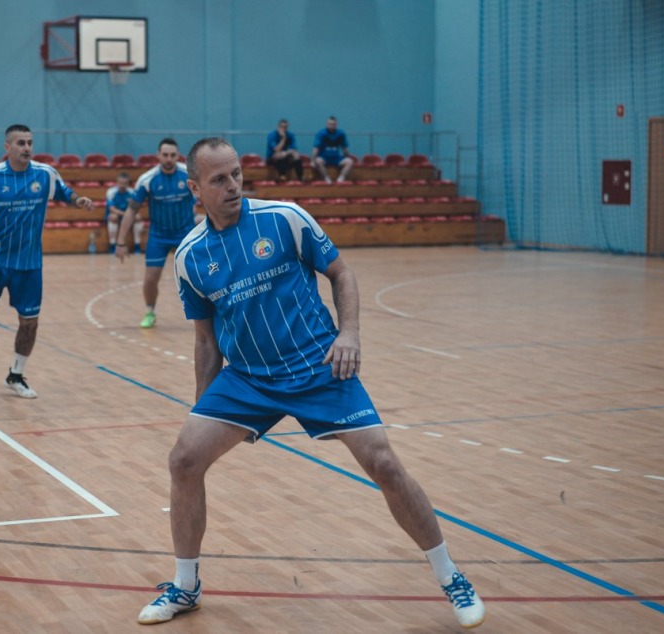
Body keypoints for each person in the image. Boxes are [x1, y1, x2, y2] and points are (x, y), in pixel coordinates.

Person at [136, 138, 485, 629]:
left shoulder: (284, 218)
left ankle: (451, 577)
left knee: (384, 463)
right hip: (249, 377)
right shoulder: (190, 256)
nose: (233, 185)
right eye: (219, 179)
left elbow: (341, 273)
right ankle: (186, 585)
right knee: (184, 460)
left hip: (318, 365)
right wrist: (204, 409)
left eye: (237, 174)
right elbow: (206, 340)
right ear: (195, 189)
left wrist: (350, 333)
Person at [0, 124, 93, 400]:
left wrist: (79, 201)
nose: (27, 148)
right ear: (7, 147)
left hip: (29, 264)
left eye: (29, 142)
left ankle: (16, 375)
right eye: (21, 143)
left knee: (29, 323)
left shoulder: (45, 174)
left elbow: (66, 192)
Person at [115, 138, 198, 329]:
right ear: (158, 155)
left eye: (172, 155)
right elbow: (131, 210)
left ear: (178, 156)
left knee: (199, 275)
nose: (169, 159)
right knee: (151, 278)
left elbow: (207, 196)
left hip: (186, 234)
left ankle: (209, 312)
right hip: (159, 236)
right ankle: (150, 311)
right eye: (165, 155)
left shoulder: (189, 175)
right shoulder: (148, 179)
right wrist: (120, 242)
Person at [105, 172, 142, 254]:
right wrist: (125, 214)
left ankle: (137, 244)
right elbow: (112, 209)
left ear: (128, 183)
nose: (122, 185)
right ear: (117, 182)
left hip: (128, 214)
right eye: (120, 183)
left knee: (138, 217)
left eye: (124, 183)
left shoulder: (132, 192)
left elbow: (135, 208)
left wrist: (128, 215)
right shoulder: (111, 192)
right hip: (117, 214)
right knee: (113, 217)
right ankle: (112, 244)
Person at [312, 115, 355, 183]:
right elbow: (316, 148)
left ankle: (341, 178)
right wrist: (312, 161)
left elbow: (345, 148)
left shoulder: (341, 133)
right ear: (327, 124)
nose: (331, 125)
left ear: (336, 125)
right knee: (318, 161)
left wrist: (347, 156)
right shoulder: (321, 133)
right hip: (324, 157)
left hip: (336, 157)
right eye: (329, 124)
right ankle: (326, 177)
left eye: (333, 124)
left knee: (350, 161)